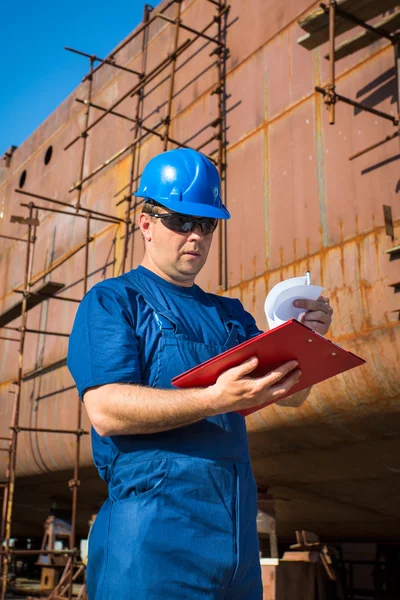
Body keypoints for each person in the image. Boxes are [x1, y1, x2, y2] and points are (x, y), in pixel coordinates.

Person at [67, 148, 333, 600]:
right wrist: (214, 399)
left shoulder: (229, 316)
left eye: (206, 224)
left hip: (233, 550)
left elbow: (288, 395)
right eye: (182, 221)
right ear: (146, 224)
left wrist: (306, 343)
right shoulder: (114, 301)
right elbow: (106, 410)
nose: (196, 236)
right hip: (149, 550)